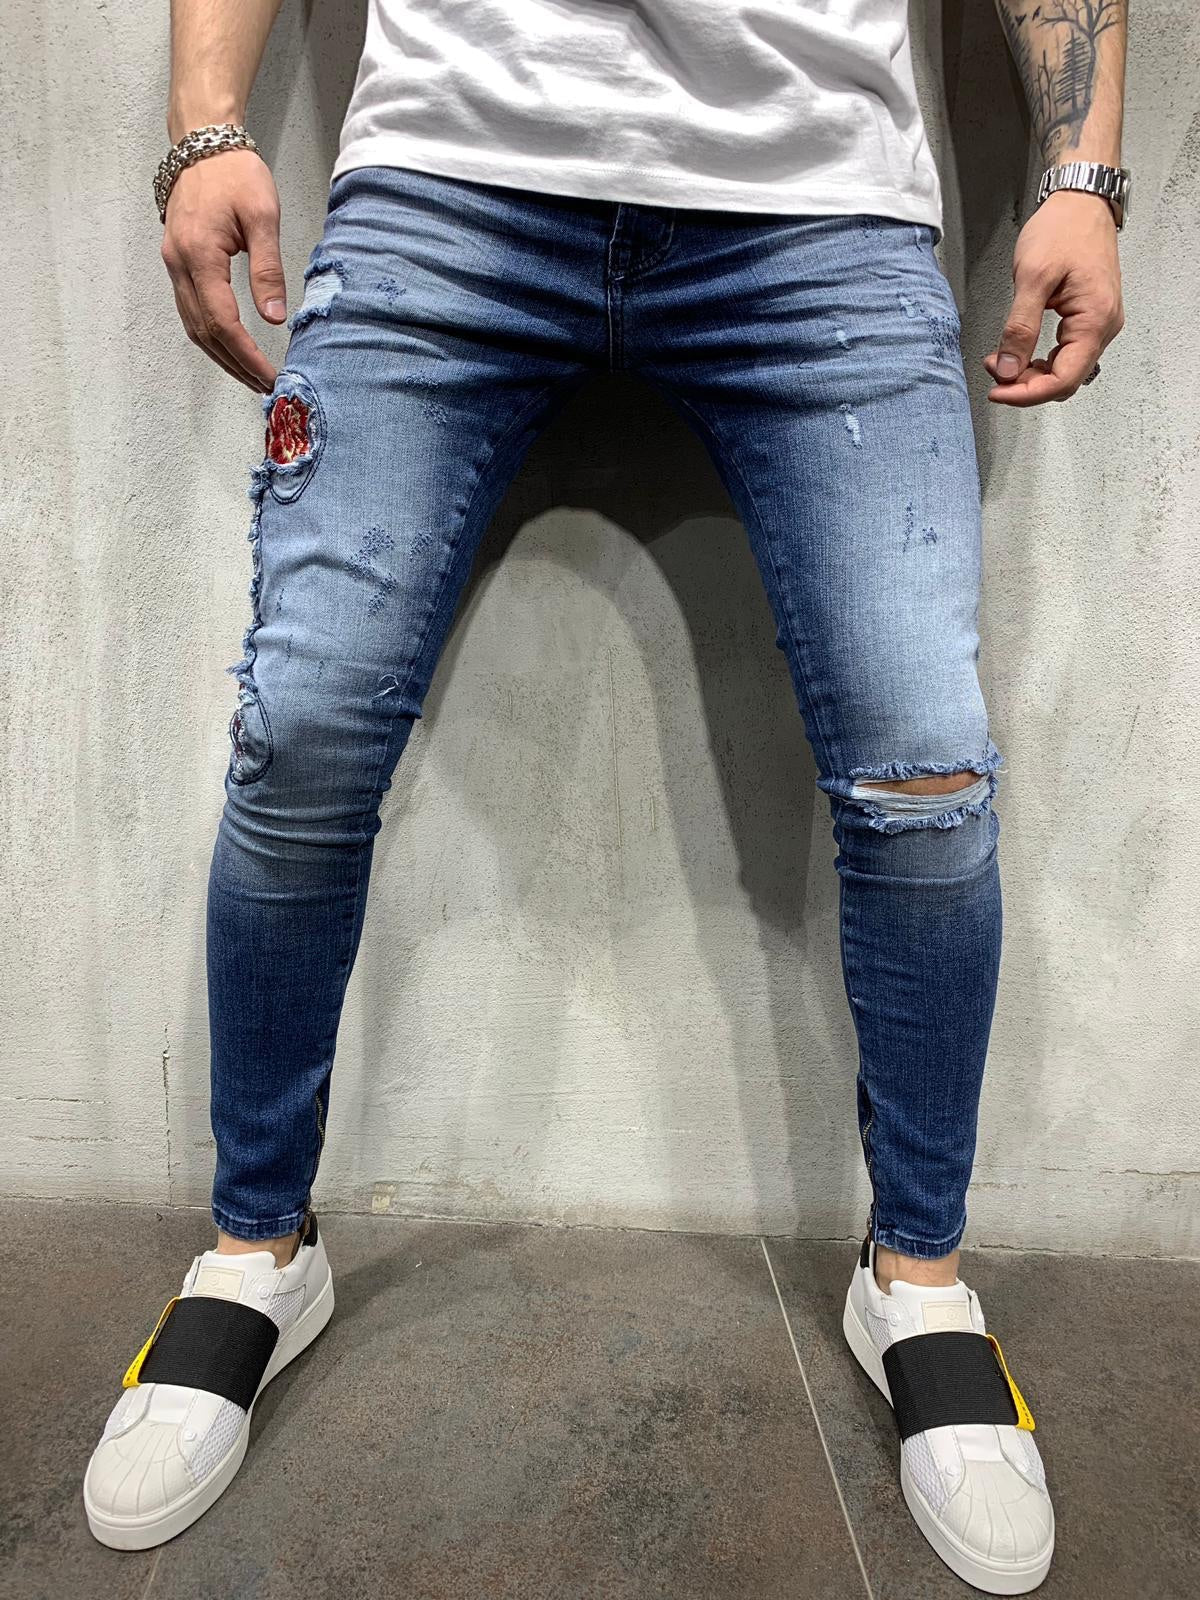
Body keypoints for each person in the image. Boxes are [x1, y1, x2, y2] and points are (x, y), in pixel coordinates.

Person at [84, 2, 1128, 1589]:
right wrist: (208, 122)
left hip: (819, 198)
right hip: (448, 177)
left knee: (925, 765)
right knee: (302, 732)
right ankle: (257, 1250)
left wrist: (1081, 169)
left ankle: (916, 1278)